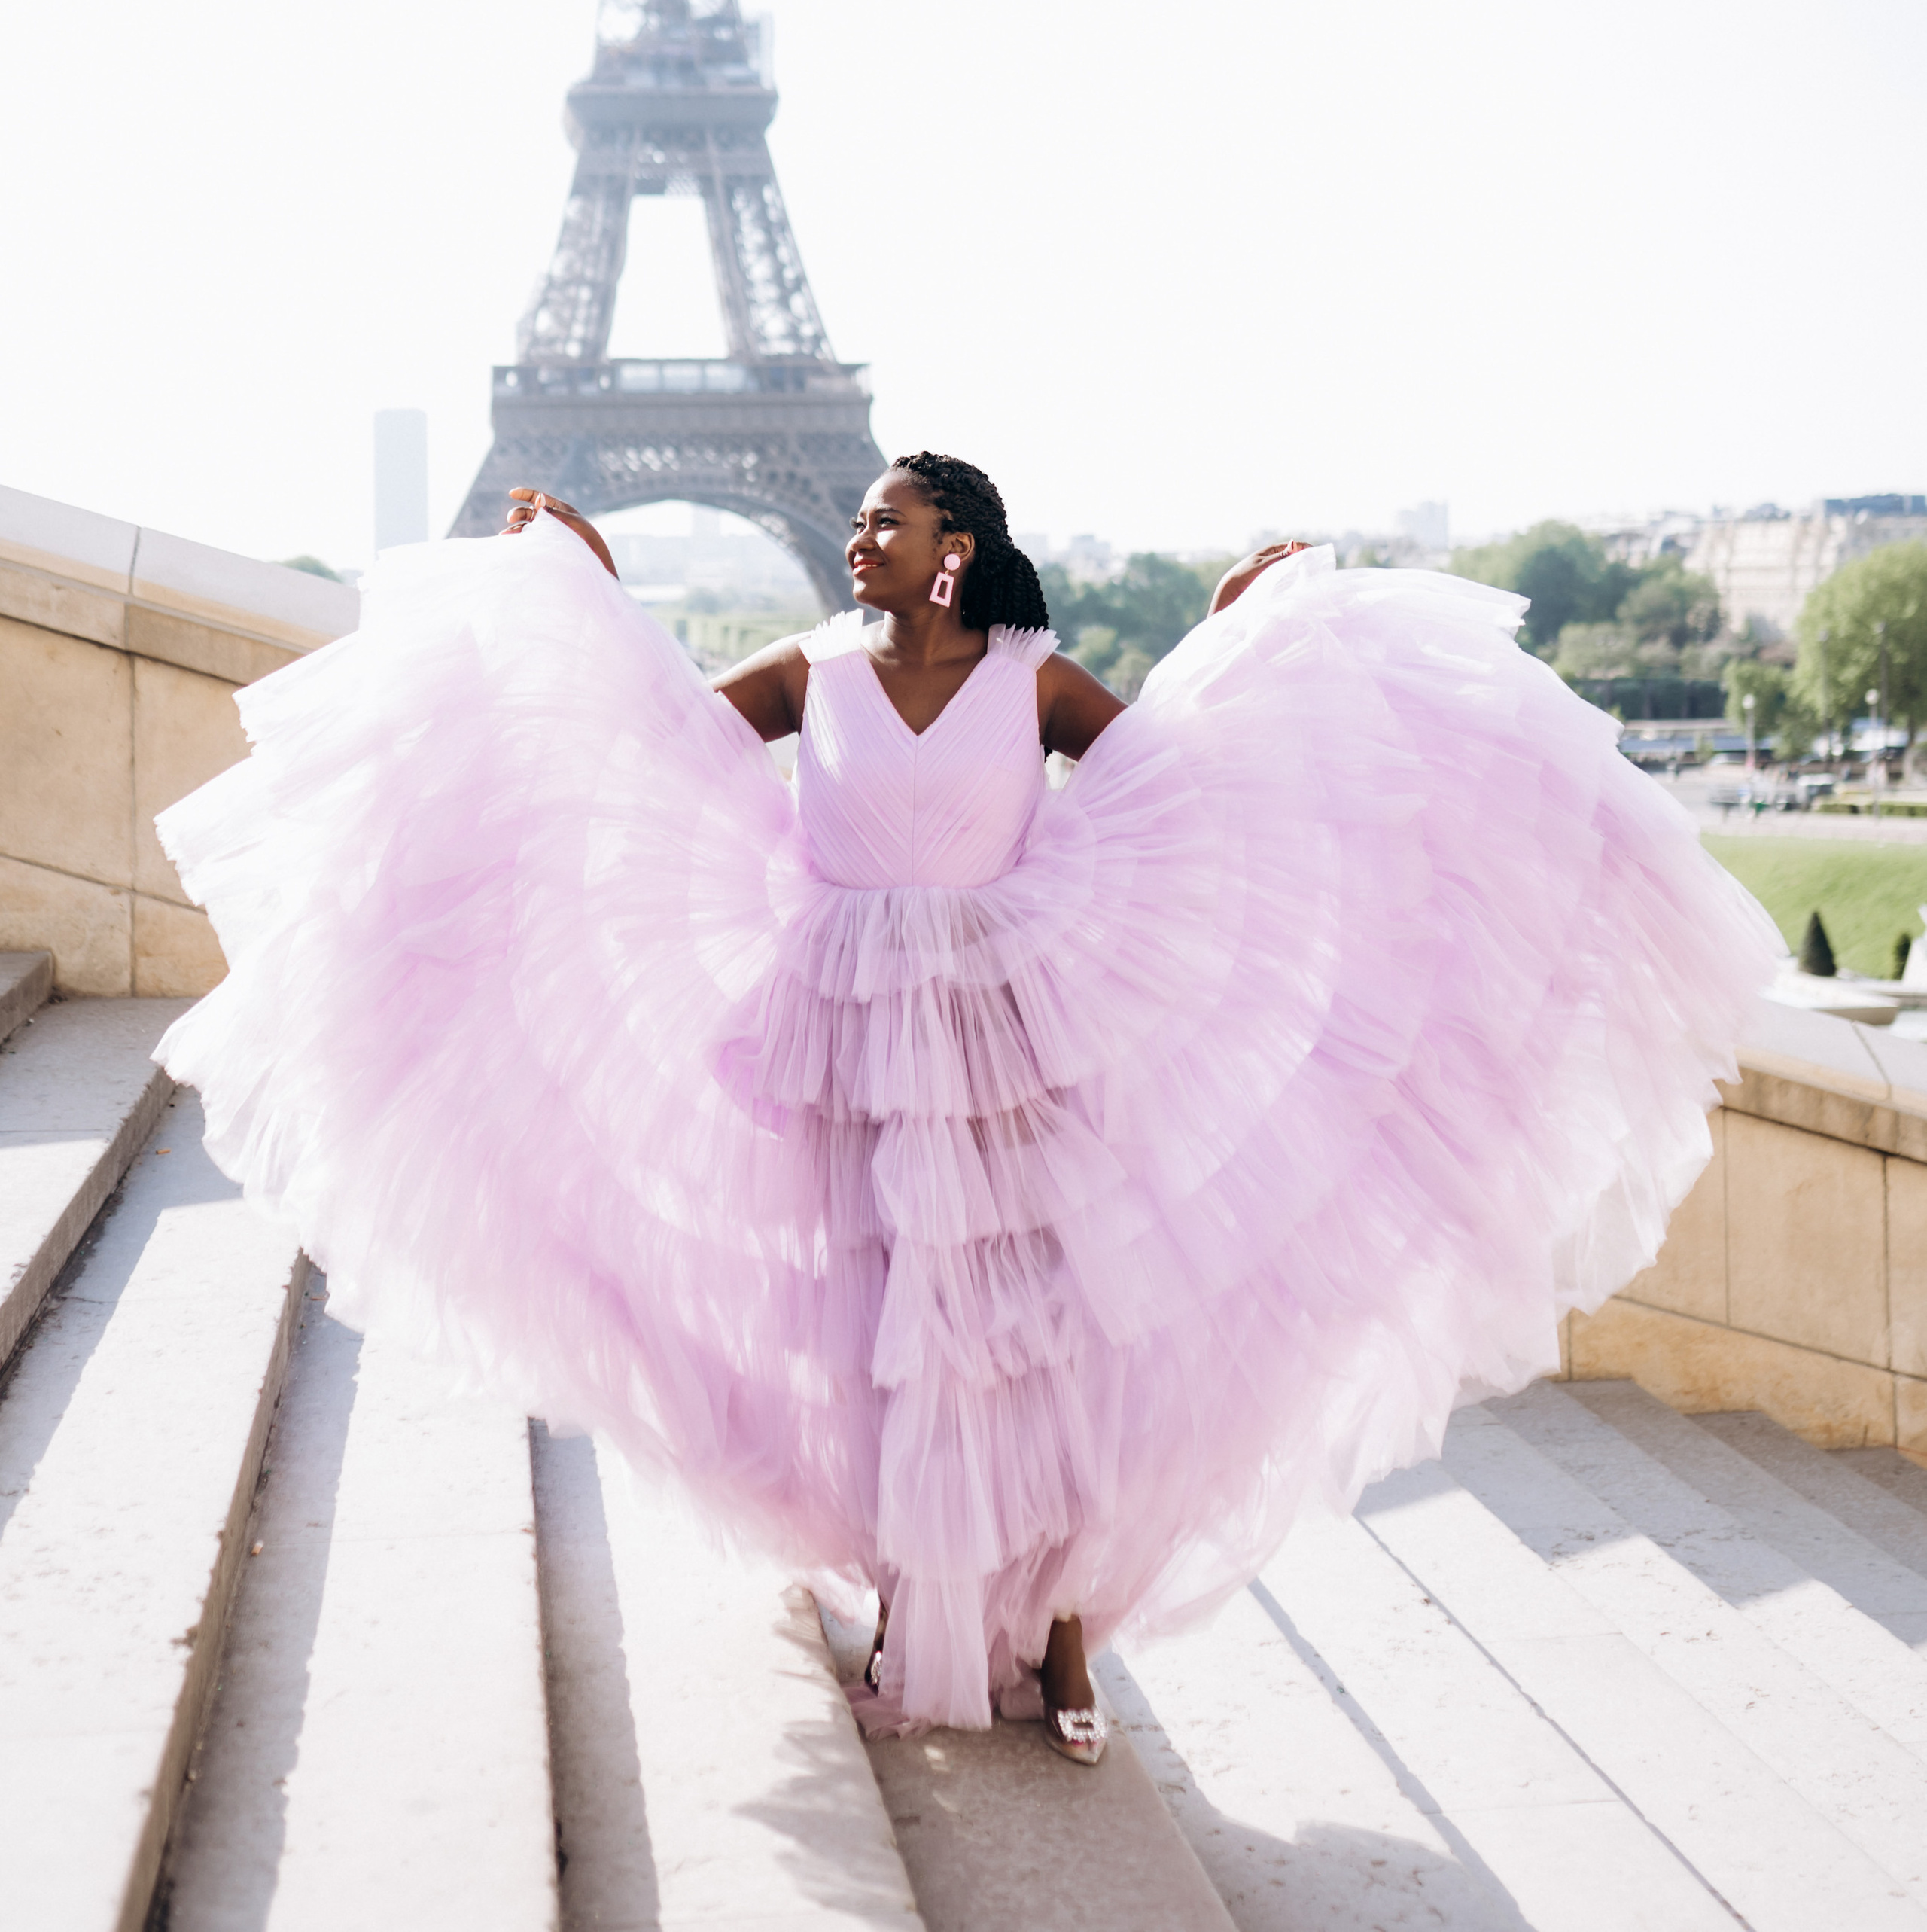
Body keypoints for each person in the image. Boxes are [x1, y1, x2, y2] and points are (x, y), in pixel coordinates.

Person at [154, 453, 1781, 1762]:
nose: (858, 538)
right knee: (883, 1322)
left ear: (957, 550)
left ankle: (1064, 1620)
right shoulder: (806, 670)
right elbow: (642, 749)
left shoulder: (1034, 677)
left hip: (1011, 1027)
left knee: (1035, 1327)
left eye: (888, 521)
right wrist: (585, 592)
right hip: (846, 1033)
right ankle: (899, 1601)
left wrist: (1238, 639)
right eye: (855, 517)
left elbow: (1189, 796)